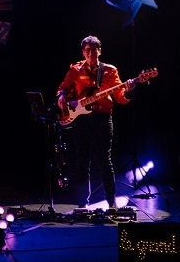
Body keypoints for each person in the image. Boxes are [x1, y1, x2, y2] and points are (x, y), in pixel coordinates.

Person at [55, 35, 134, 210]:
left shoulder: (110, 71)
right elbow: (63, 88)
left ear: (100, 51)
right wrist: (61, 95)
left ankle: (111, 202)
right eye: (88, 50)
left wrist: (128, 92)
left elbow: (120, 98)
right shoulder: (75, 70)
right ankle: (83, 203)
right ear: (83, 52)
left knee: (104, 160)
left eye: (94, 50)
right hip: (81, 119)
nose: (91, 53)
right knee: (82, 161)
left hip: (102, 118)